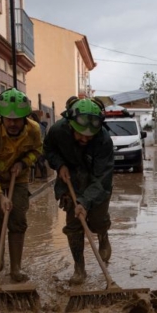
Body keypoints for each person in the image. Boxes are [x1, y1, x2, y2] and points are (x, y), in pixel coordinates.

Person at [43, 96, 114, 285]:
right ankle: (79, 268)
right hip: (71, 181)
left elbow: (102, 179)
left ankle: (103, 235)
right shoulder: (57, 130)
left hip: (96, 182)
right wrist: (59, 165)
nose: (85, 138)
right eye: (81, 133)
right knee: (74, 226)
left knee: (98, 220)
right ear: (70, 124)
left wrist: (84, 201)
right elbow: (49, 149)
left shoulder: (103, 140)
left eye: (89, 135)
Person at [0, 88, 43, 282]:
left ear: (25, 117)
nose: (13, 123)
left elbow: (37, 150)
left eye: (17, 119)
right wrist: (0, 195)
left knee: (17, 219)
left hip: (18, 177)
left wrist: (23, 163)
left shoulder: (33, 130)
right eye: (8, 119)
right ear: (2, 117)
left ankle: (16, 267)